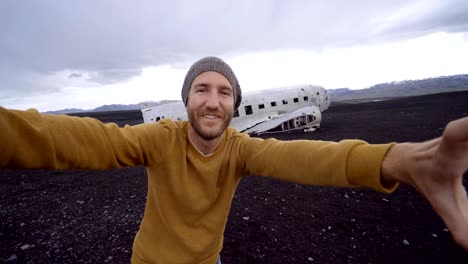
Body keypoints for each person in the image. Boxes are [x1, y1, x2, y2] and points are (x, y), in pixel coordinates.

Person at [0, 56, 467, 264]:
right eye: (201, 89)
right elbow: (88, 139)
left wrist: (400, 160)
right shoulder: (160, 139)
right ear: (186, 101)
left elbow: (307, 158)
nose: (213, 100)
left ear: (233, 102)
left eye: (225, 92)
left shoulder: (242, 149)